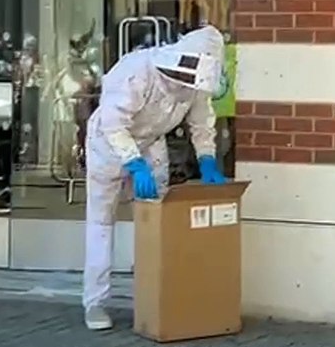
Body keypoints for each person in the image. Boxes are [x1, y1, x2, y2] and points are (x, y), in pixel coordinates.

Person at [82, 25, 228, 331]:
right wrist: (133, 163)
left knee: (157, 224)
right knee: (101, 223)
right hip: (108, 144)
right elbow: (113, 124)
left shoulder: (197, 80)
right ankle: (95, 301)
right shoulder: (136, 71)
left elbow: (201, 123)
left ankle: (154, 297)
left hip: (150, 144)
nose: (185, 85)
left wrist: (207, 159)